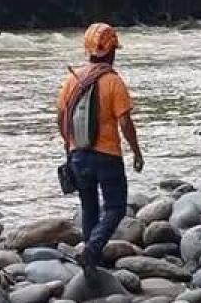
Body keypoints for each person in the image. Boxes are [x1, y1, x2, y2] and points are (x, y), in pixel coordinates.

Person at [57, 22, 144, 278]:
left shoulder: (71, 81)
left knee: (90, 206)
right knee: (115, 208)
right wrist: (136, 152)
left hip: (78, 154)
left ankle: (90, 260)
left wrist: (69, 147)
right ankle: (92, 249)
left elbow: (61, 118)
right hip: (108, 155)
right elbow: (125, 122)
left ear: (88, 50)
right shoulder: (113, 82)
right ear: (112, 51)